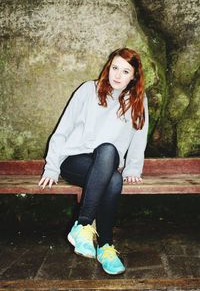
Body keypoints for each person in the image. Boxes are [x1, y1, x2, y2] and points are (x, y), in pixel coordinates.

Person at [38, 48, 149, 275]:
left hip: (106, 166)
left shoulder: (138, 100)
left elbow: (139, 135)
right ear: (109, 67)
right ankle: (90, 229)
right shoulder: (89, 90)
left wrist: (134, 167)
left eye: (125, 71)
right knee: (109, 153)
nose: (117, 75)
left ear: (133, 77)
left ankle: (102, 244)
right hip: (75, 160)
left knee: (114, 175)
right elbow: (63, 129)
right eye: (115, 68)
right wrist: (52, 166)